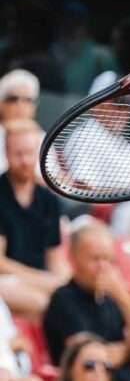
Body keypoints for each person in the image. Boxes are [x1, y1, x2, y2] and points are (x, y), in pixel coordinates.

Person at [43, 221, 130, 381]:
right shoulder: (64, 299)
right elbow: (90, 361)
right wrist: (128, 349)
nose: (103, 267)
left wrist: (125, 298)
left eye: (108, 259)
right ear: (72, 258)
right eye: (95, 259)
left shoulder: (113, 301)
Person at [0, 119, 67, 319]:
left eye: (29, 153)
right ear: (7, 153)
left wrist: (62, 283)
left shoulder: (49, 200)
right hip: (7, 280)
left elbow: (56, 258)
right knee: (42, 302)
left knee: (67, 299)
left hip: (38, 281)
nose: (25, 161)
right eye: (18, 154)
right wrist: (48, 282)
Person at [0, 70, 39, 173]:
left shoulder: (44, 138)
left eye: (27, 100)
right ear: (1, 103)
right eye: (13, 99)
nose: (20, 105)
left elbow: (58, 180)